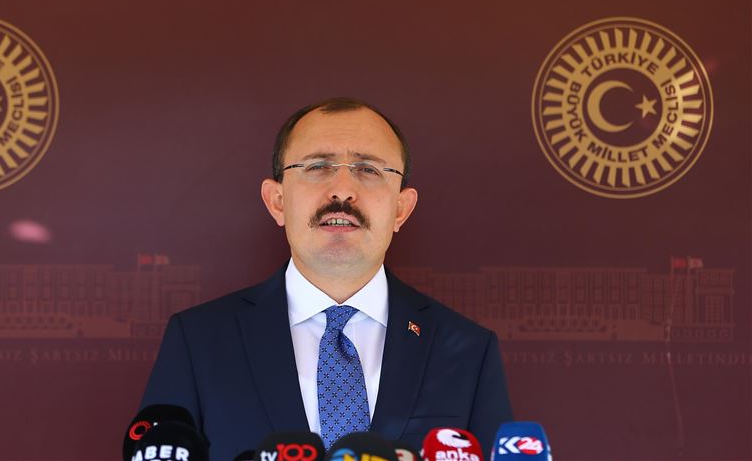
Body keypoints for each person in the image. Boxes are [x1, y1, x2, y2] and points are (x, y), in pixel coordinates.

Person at [140, 97, 513, 459]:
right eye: (318, 166)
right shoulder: (199, 341)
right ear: (277, 201)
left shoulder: (466, 350)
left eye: (368, 169)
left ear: (401, 208)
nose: (343, 190)